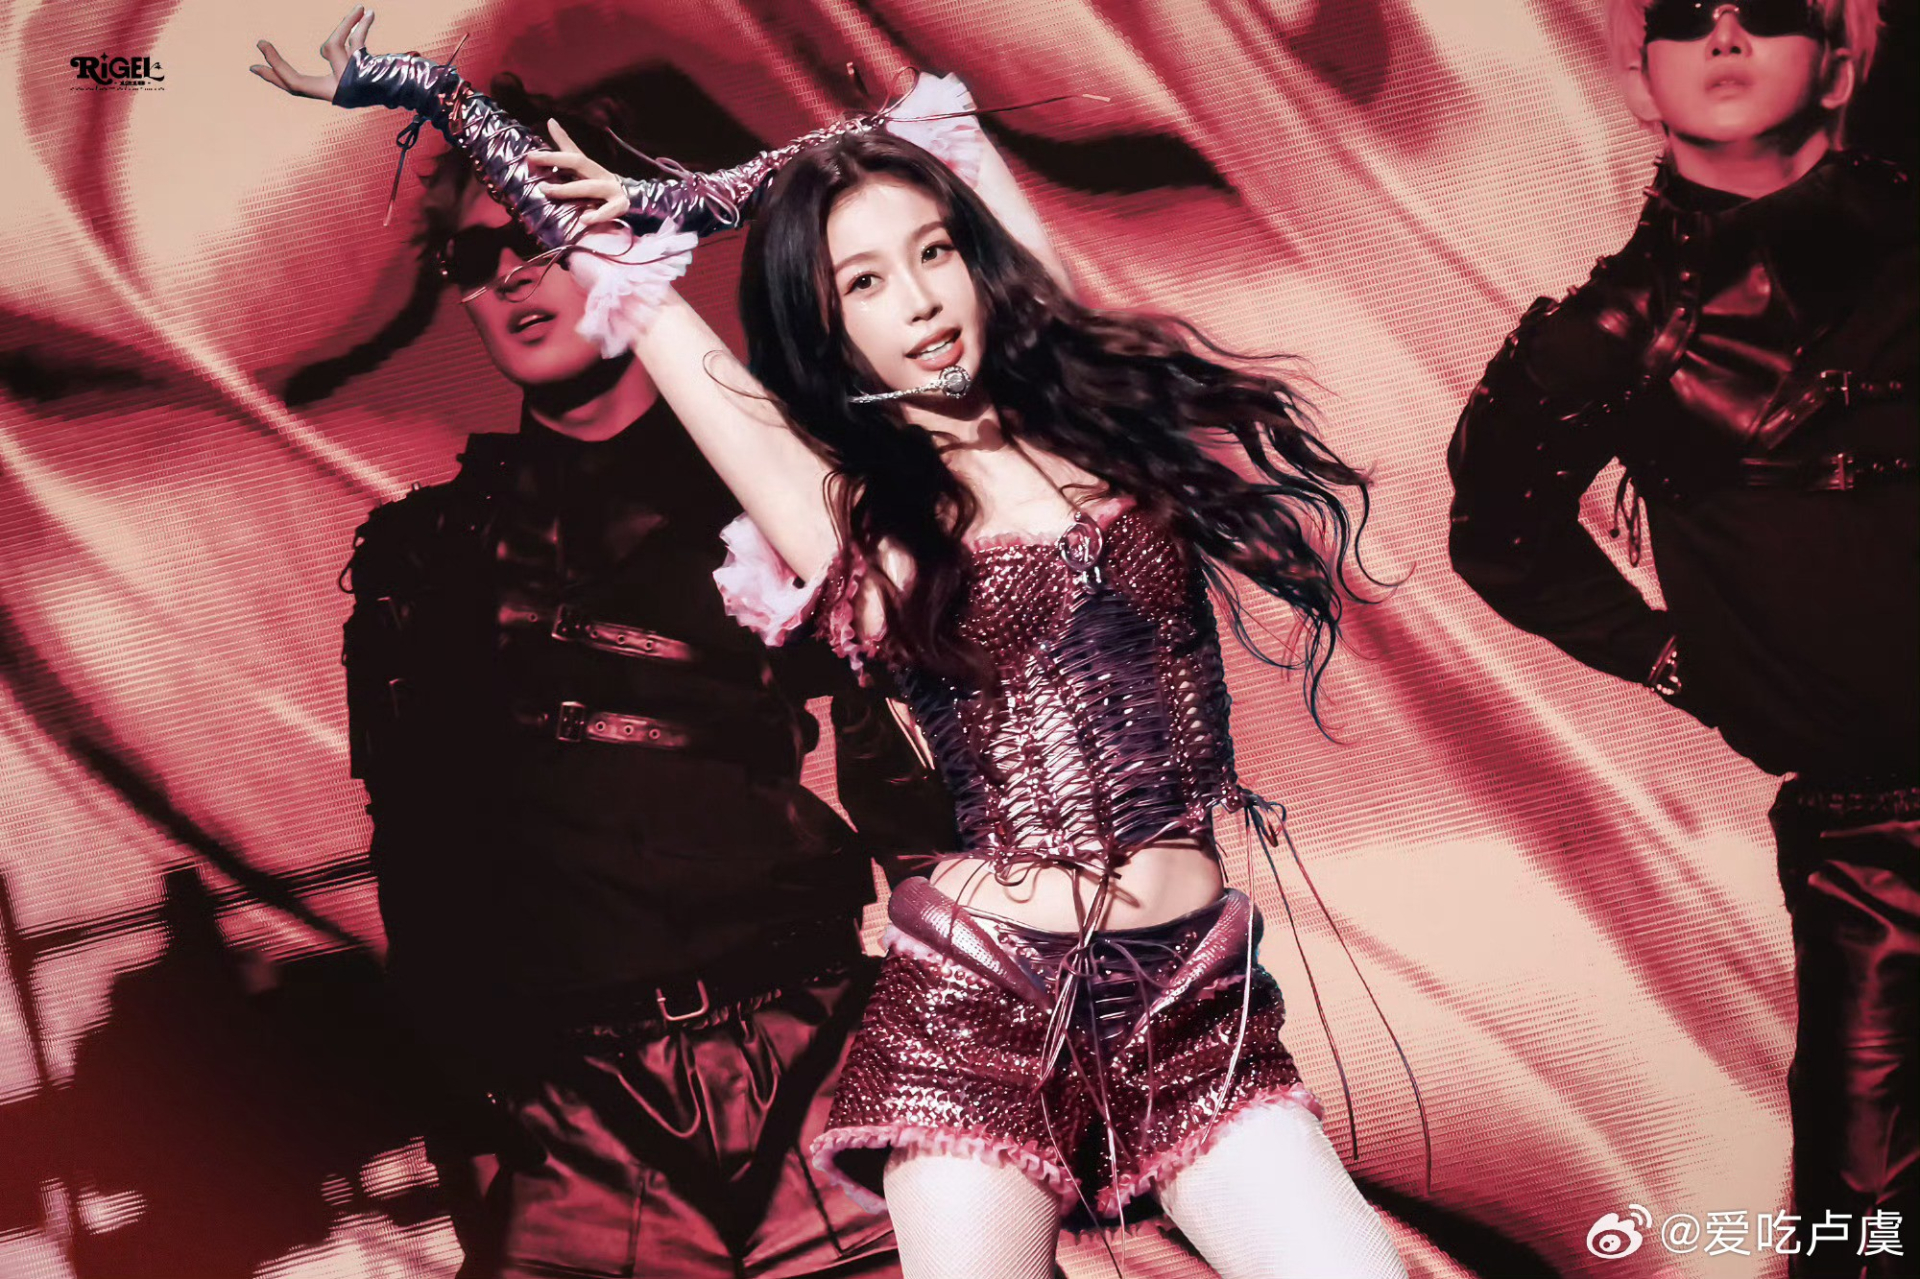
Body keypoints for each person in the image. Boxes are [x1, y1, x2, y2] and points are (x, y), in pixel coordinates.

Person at [272, 12, 1414, 1277]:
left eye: (933, 254)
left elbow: (937, 120)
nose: (917, 300)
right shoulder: (857, 528)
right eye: (862, 284)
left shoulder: (1098, 421)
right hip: (983, 1013)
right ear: (830, 335)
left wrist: (698, 194)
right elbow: (660, 321)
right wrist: (436, 94)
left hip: (1191, 1006)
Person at [251, 18, 956, 1278]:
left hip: (822, 1064)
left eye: (537, 233)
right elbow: (424, 874)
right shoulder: (426, 559)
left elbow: (917, 789)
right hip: (576, 1124)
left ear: (621, 228)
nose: (512, 277)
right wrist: (476, 1139)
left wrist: (962, 1058)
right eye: (475, 260)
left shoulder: (778, 492)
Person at [1446, 1, 1915, 1273]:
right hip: (1877, 854)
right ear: (1636, 68)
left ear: (1840, 57)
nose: (1724, 33)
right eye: (1686, 12)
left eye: (1769, 8)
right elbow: (1499, 536)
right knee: (1870, 1222)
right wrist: (1672, 659)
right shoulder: (1604, 337)